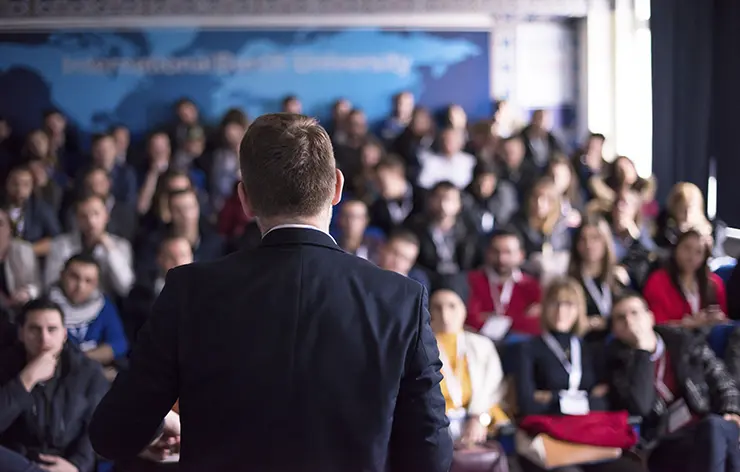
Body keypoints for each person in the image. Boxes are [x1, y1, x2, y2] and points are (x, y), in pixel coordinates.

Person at [89, 113, 453, 472]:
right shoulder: (401, 298)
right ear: (337, 187)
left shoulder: (189, 291)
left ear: (245, 199)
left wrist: (157, 423)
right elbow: (431, 455)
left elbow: (112, 434)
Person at [607, 292, 740, 472]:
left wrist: (731, 409)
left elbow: (721, 378)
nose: (629, 321)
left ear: (650, 317)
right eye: (621, 318)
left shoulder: (684, 342)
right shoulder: (617, 365)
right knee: (718, 438)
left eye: (635, 313)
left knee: (716, 429)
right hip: (666, 443)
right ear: (615, 330)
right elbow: (641, 405)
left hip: (706, 424)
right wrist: (643, 352)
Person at [0, 297, 109, 472]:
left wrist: (77, 465)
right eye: (35, 329)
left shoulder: (87, 372)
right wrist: (26, 379)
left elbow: (99, 426)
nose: (44, 338)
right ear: (21, 333)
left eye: (52, 329)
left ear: (64, 334)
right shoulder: (5, 365)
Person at [642, 229, 727, 328]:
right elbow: (657, 325)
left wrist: (717, 319)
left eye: (698, 252)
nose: (691, 257)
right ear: (676, 248)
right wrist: (688, 324)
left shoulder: (715, 283)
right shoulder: (657, 281)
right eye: (687, 248)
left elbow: (725, 321)